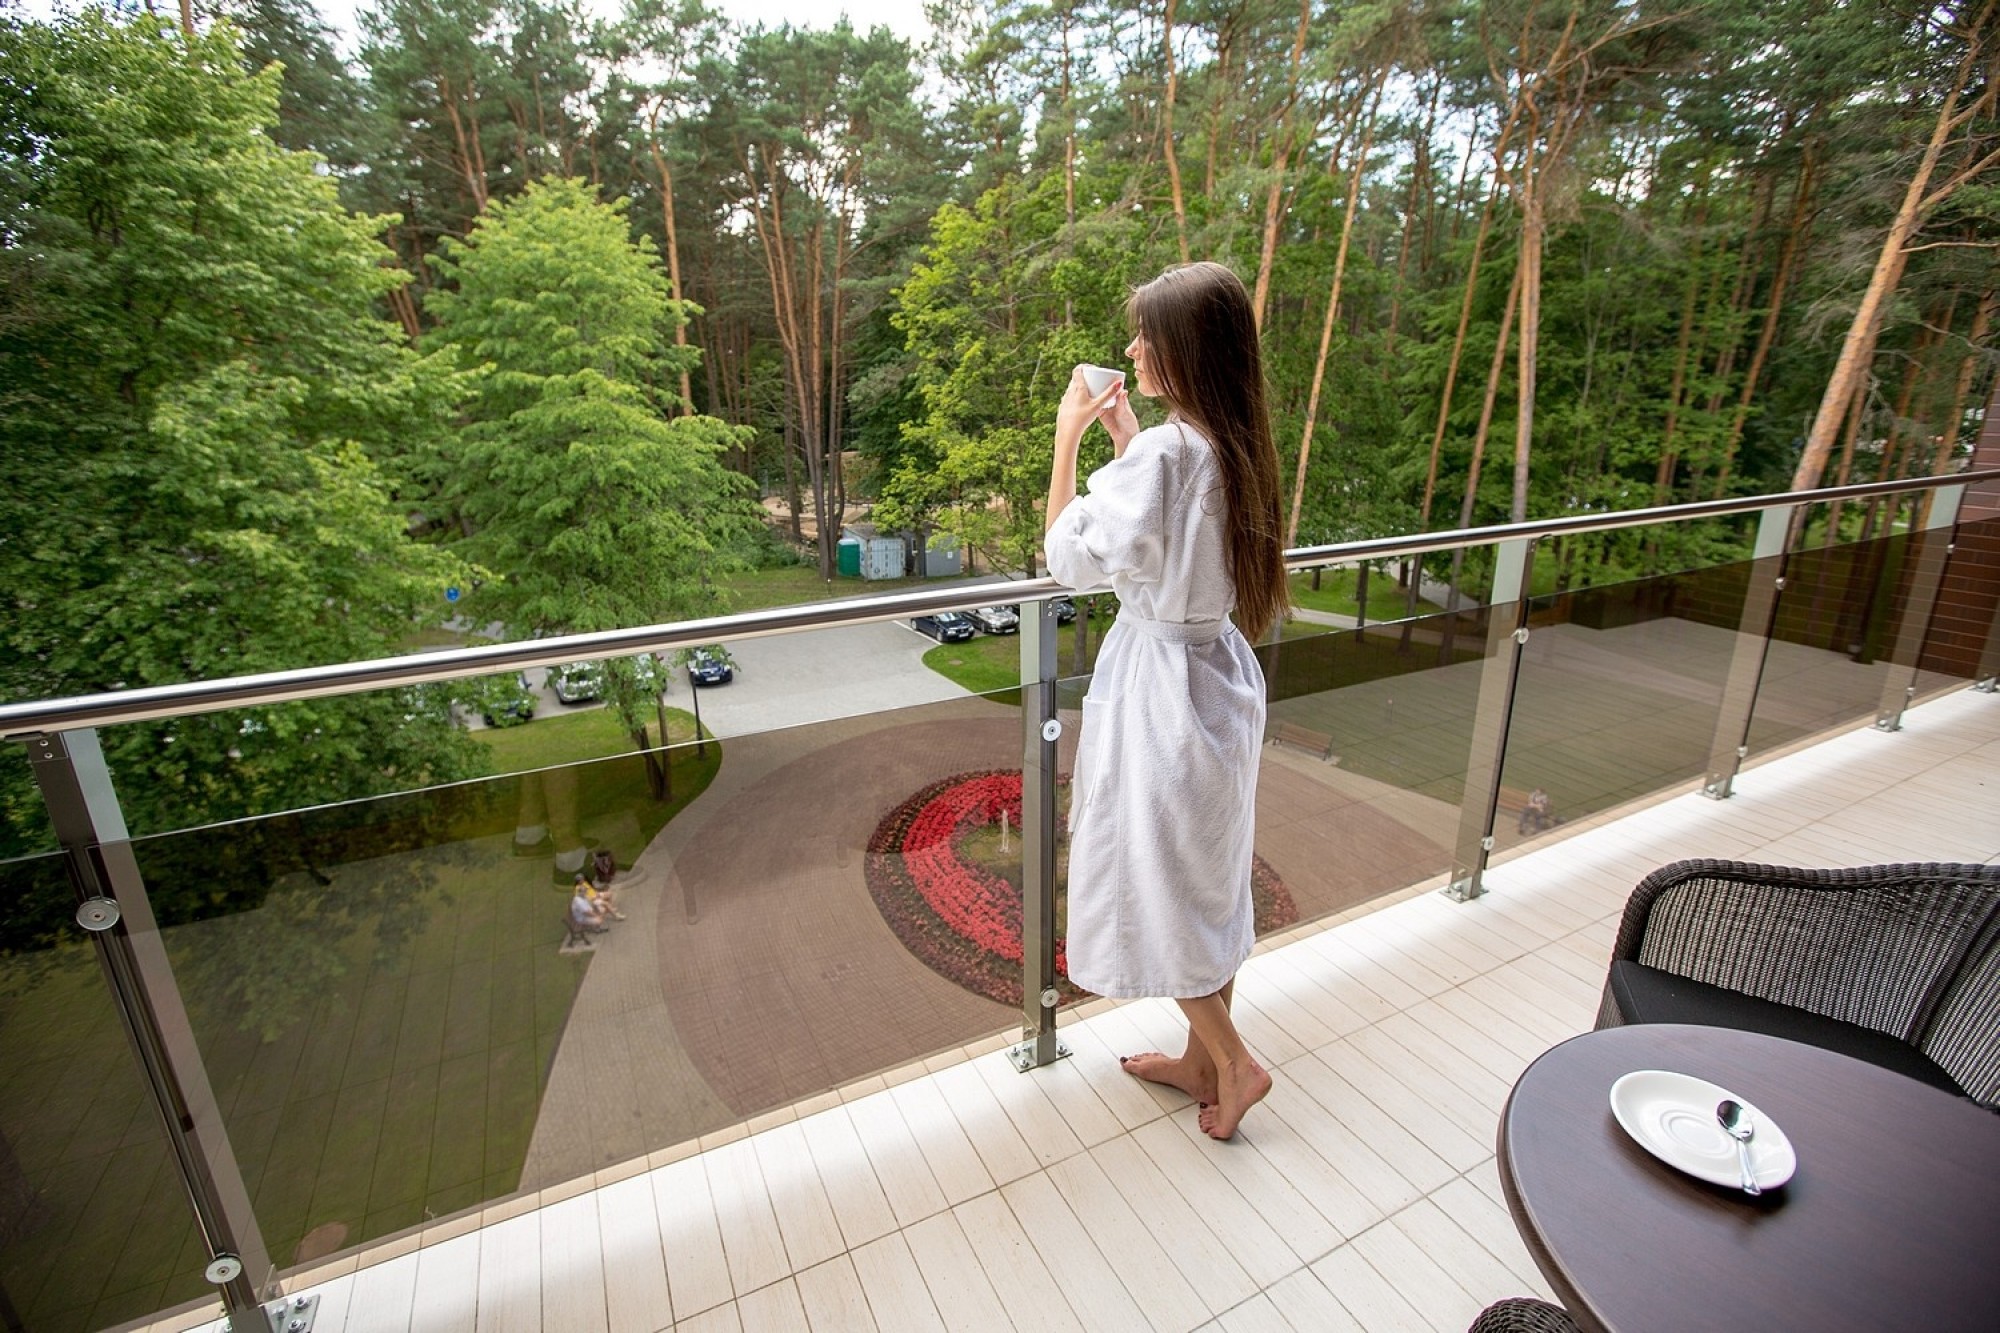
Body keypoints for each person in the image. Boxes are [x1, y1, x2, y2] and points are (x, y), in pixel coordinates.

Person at [1043, 261, 1290, 1141]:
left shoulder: (1167, 455)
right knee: (1207, 878)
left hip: (1159, 696)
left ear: (1187, 350)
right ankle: (1200, 1061)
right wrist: (1128, 439)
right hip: (1219, 678)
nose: (1133, 348)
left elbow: (1068, 559)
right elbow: (1166, 537)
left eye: (1148, 336)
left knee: (1155, 883)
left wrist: (1068, 439)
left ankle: (1234, 1061)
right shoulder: (1230, 442)